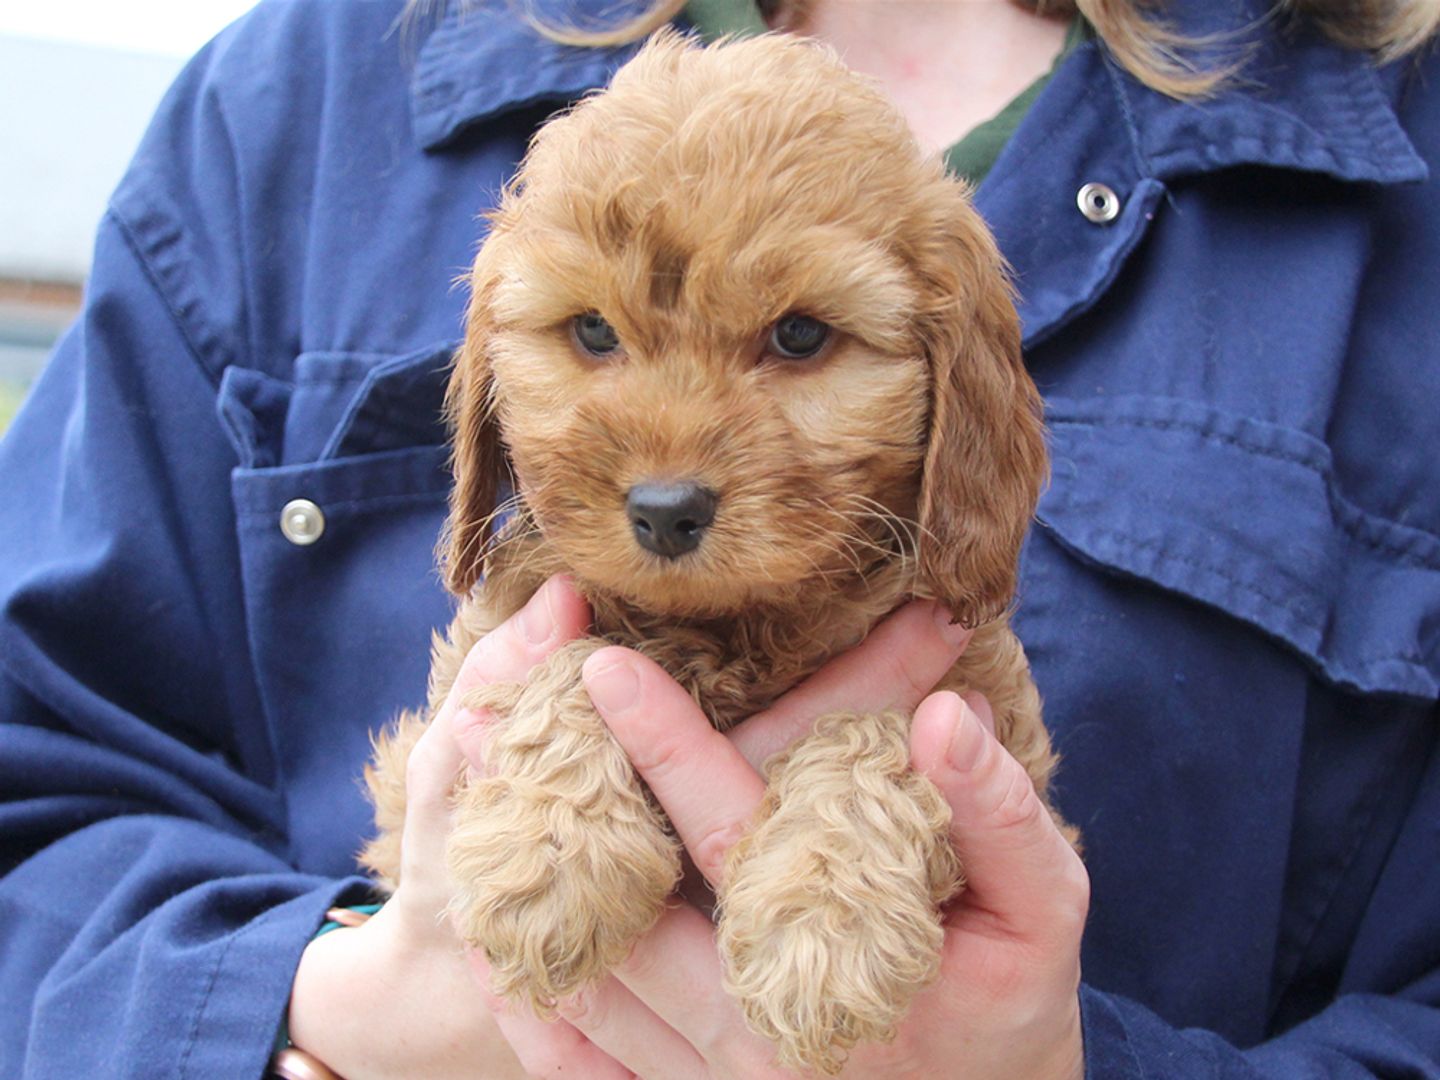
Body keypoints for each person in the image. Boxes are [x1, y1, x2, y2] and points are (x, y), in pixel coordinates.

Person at [2, 0, 1438, 1077]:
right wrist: (326, 1015)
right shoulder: (303, 93)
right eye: (591, 338)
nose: (672, 469)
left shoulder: (1405, 161)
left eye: (800, 339)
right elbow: (36, 807)